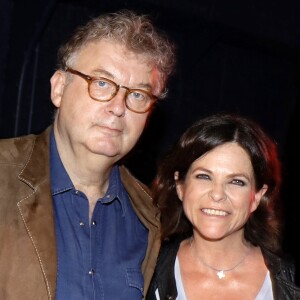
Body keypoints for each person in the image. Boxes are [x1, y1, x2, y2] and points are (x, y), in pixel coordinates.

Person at [0, 9, 176, 300]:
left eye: (137, 95)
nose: (118, 107)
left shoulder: (149, 217)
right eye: (102, 83)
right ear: (59, 88)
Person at [146, 113, 300, 299]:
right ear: (180, 186)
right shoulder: (144, 274)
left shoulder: (291, 283)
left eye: (236, 181)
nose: (217, 194)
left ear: (257, 196)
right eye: (204, 176)